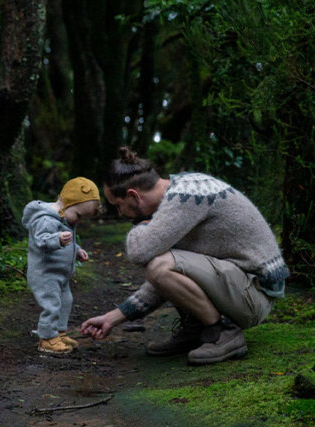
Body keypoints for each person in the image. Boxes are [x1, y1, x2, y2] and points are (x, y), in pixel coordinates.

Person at [80, 147, 289, 365]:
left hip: (253, 295)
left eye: (118, 206)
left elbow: (139, 251)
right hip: (239, 286)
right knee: (163, 264)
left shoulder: (187, 195)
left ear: (133, 195)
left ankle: (222, 333)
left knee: (159, 264)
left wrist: (142, 224)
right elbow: (169, 278)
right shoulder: (179, 195)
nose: (120, 213)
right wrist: (113, 318)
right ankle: (196, 329)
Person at [22, 177, 101, 354]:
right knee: (52, 304)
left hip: (61, 274)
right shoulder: (45, 219)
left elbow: (68, 240)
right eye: (79, 215)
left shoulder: (65, 218)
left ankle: (59, 333)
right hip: (45, 273)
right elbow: (41, 240)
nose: (78, 221)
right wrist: (56, 239)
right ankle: (47, 339)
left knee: (66, 301)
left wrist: (77, 250)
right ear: (66, 202)